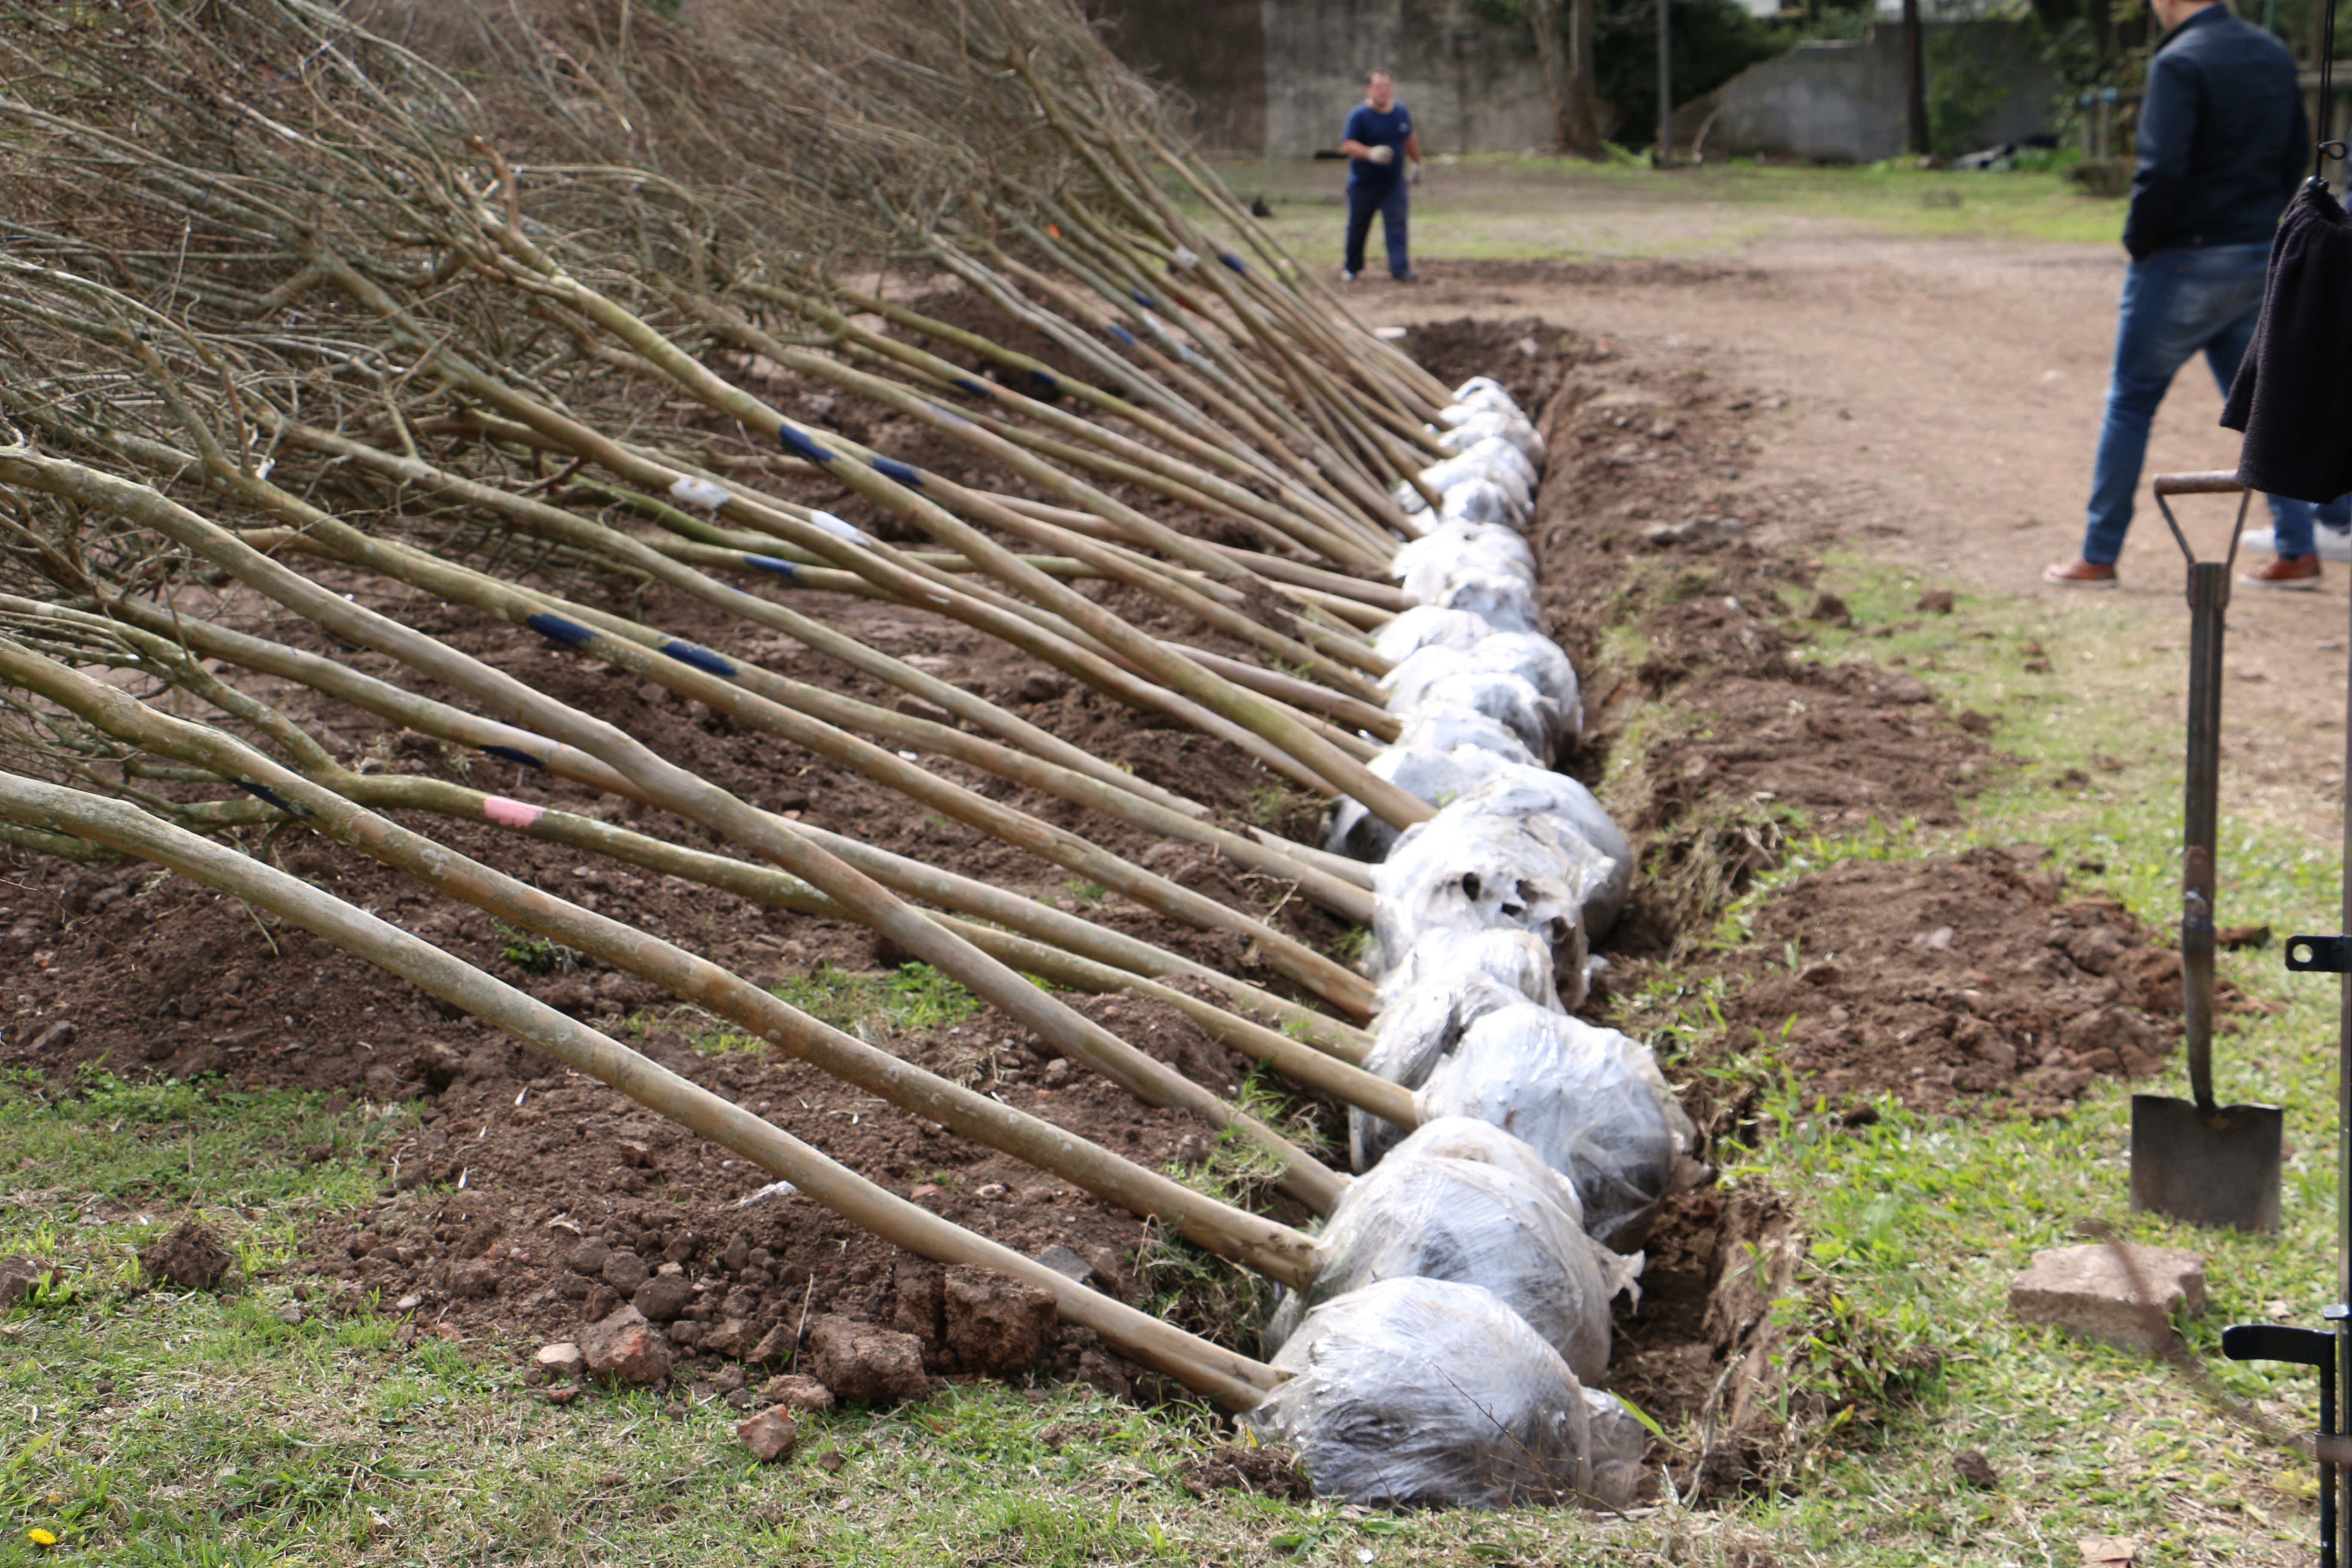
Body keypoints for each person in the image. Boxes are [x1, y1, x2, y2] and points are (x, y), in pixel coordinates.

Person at [2041, 0, 2343, 591]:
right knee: (2268, 406)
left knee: (2130, 403)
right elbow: (2295, 155)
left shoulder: (2178, 62)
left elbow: (2161, 169)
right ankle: (2297, 551)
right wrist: (2266, 229)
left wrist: (2140, 241)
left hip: (2183, 260)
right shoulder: (2272, 53)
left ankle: (2098, 556)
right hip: (2257, 256)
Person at [1339, 69, 1421, 284]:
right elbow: (1347, 145)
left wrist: (1417, 162)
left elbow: (1409, 138)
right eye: (1379, 86)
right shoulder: (1359, 116)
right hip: (1364, 184)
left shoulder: (1401, 112)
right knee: (1358, 226)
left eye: (1387, 86)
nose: (1383, 90)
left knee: (1397, 225)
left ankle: (1400, 269)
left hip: (1393, 184)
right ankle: (1352, 267)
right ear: (1369, 90)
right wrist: (1370, 153)